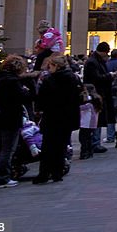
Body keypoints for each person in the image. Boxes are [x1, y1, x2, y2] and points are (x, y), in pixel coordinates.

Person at [34, 55, 82, 184]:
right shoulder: (73, 78)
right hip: (67, 116)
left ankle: (44, 173)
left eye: (50, 66)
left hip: (52, 116)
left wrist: (39, 109)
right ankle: (57, 172)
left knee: (48, 146)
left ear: (55, 65)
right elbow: (79, 97)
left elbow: (42, 98)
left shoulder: (49, 79)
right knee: (61, 145)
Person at [0, 55, 30, 189]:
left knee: (0, 148)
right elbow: (23, 98)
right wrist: (26, 91)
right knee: (7, 149)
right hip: (10, 118)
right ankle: (2, 178)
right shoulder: (12, 82)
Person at [83, 42, 112, 155]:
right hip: (96, 93)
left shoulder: (95, 61)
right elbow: (96, 78)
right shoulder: (93, 62)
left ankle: (94, 142)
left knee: (96, 119)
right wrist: (109, 76)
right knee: (95, 119)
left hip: (97, 93)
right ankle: (94, 143)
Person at [79, 84, 102, 160]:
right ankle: (89, 151)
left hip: (86, 122)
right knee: (88, 137)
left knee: (83, 138)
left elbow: (82, 107)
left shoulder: (90, 101)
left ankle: (84, 152)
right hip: (90, 123)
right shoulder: (96, 99)